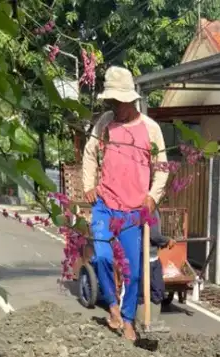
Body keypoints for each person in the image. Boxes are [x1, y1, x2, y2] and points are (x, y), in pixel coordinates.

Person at [82, 66, 168, 342]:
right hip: (105, 205)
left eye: (118, 102)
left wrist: (152, 196)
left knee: (133, 270)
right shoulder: (105, 123)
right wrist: (88, 185)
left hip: (133, 211)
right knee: (103, 257)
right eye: (111, 101)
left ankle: (128, 320)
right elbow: (89, 153)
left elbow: (162, 167)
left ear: (131, 100)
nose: (114, 106)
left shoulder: (150, 129)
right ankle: (113, 307)